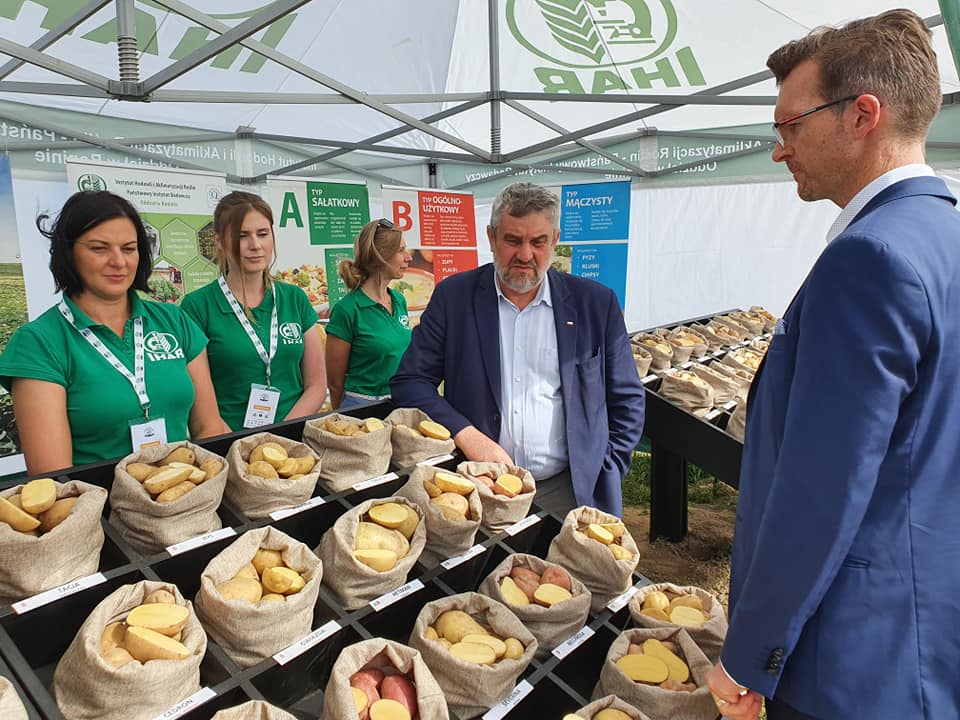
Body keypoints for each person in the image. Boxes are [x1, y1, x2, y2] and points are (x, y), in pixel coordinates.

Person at [706, 10, 960, 720]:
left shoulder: (871, 257)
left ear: (863, 116)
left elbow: (822, 488)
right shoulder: (943, 235)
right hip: (924, 633)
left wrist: (749, 654)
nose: (779, 150)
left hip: (851, 658)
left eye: (791, 125)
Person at [391, 182, 644, 516]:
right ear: (491, 237)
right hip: (480, 488)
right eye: (513, 240)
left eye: (538, 242)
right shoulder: (454, 298)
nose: (525, 255)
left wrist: (606, 468)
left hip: (572, 491)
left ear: (555, 240)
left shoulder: (595, 304)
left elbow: (627, 399)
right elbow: (410, 382)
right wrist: (468, 436)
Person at [0, 191, 228, 474]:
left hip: (185, 494)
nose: (119, 261)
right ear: (68, 253)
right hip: (99, 500)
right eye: (99, 248)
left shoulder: (174, 321)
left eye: (129, 249)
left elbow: (208, 427)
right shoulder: (39, 344)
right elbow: (54, 476)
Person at [180, 191, 326, 431]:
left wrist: (280, 437)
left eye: (263, 234)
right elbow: (199, 405)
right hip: (227, 440)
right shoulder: (197, 306)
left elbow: (317, 386)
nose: (255, 245)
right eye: (242, 236)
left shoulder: (294, 298)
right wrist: (239, 445)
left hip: (294, 440)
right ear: (219, 241)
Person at [325, 218, 412, 409]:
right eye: (401, 250)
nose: (408, 257)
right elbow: (335, 383)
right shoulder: (347, 310)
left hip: (399, 403)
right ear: (381, 256)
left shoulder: (399, 300)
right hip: (362, 407)